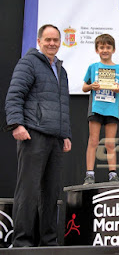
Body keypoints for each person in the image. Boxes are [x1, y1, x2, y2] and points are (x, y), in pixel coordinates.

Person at [4, 24, 72, 246]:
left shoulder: (61, 70)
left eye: (56, 40)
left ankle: (48, 241)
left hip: (55, 138)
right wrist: (16, 124)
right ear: (39, 41)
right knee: (29, 190)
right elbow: (15, 94)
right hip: (33, 134)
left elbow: (62, 105)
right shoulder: (29, 63)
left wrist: (66, 135)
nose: (52, 43)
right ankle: (22, 241)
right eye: (48, 40)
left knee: (51, 192)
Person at [82, 34, 119, 185]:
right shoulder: (93, 67)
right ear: (97, 50)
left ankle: (112, 174)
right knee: (93, 141)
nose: (105, 50)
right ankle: (89, 174)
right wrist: (92, 86)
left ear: (113, 50)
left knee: (110, 143)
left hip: (112, 109)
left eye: (108, 47)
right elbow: (84, 87)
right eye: (102, 47)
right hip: (96, 108)